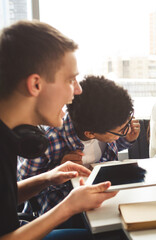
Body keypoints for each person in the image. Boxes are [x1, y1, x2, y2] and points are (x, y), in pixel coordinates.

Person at [0, 20, 117, 239]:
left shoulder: (8, 136)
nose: (78, 90)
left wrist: (46, 178)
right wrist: (69, 206)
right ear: (36, 84)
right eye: (70, 79)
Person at [17, 75, 140, 217]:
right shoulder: (47, 139)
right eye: (121, 131)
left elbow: (109, 146)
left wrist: (127, 139)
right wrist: (57, 171)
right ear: (90, 134)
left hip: (103, 201)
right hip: (60, 213)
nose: (126, 131)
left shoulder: (105, 125)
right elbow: (23, 184)